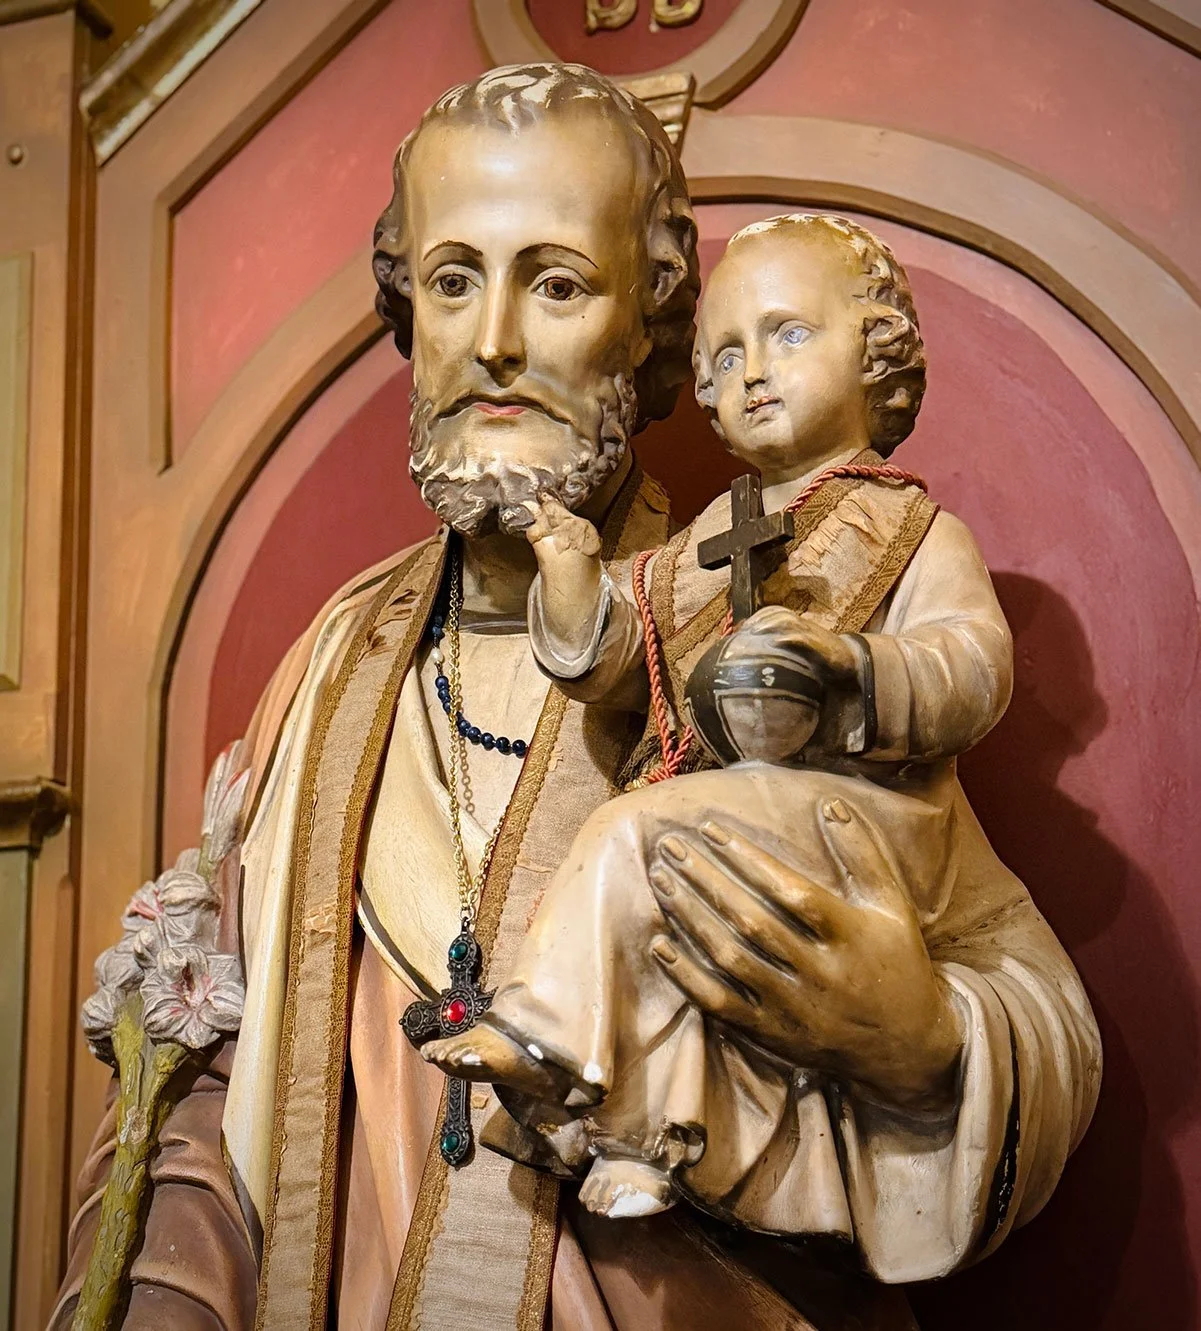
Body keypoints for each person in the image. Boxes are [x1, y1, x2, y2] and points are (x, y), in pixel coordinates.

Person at [52, 72, 1098, 1331]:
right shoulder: (329, 665)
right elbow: (196, 1083)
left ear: (651, 329)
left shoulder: (750, 622)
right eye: (453, 279)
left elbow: (1030, 1003)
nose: (494, 337)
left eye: (555, 284)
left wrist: (918, 1039)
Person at [426, 214, 1102, 1262]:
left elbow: (973, 666)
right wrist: (571, 580)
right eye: (726, 354)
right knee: (652, 890)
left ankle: (551, 1046)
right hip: (736, 808)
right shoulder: (715, 533)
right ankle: (635, 1137)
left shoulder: (911, 529)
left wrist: (852, 671)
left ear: (874, 358)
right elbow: (629, 652)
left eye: (786, 335)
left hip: (860, 820)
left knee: (628, 833)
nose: (751, 372)